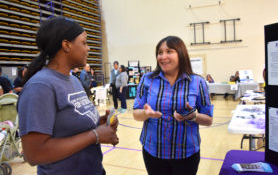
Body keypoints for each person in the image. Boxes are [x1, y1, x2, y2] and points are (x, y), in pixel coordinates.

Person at [17, 16, 119, 175]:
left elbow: (69, 127)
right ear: (66, 45)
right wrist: (94, 135)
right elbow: (34, 154)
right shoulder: (40, 87)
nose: (88, 48)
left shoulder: (74, 80)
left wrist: (99, 122)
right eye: (84, 42)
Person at [132, 36, 213, 175]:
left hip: (186, 153)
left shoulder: (197, 82)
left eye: (169, 51)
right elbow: (136, 113)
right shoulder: (147, 79)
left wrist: (193, 116)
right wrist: (147, 114)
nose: (163, 56)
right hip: (153, 151)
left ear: (181, 53)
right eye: (160, 52)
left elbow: (209, 120)